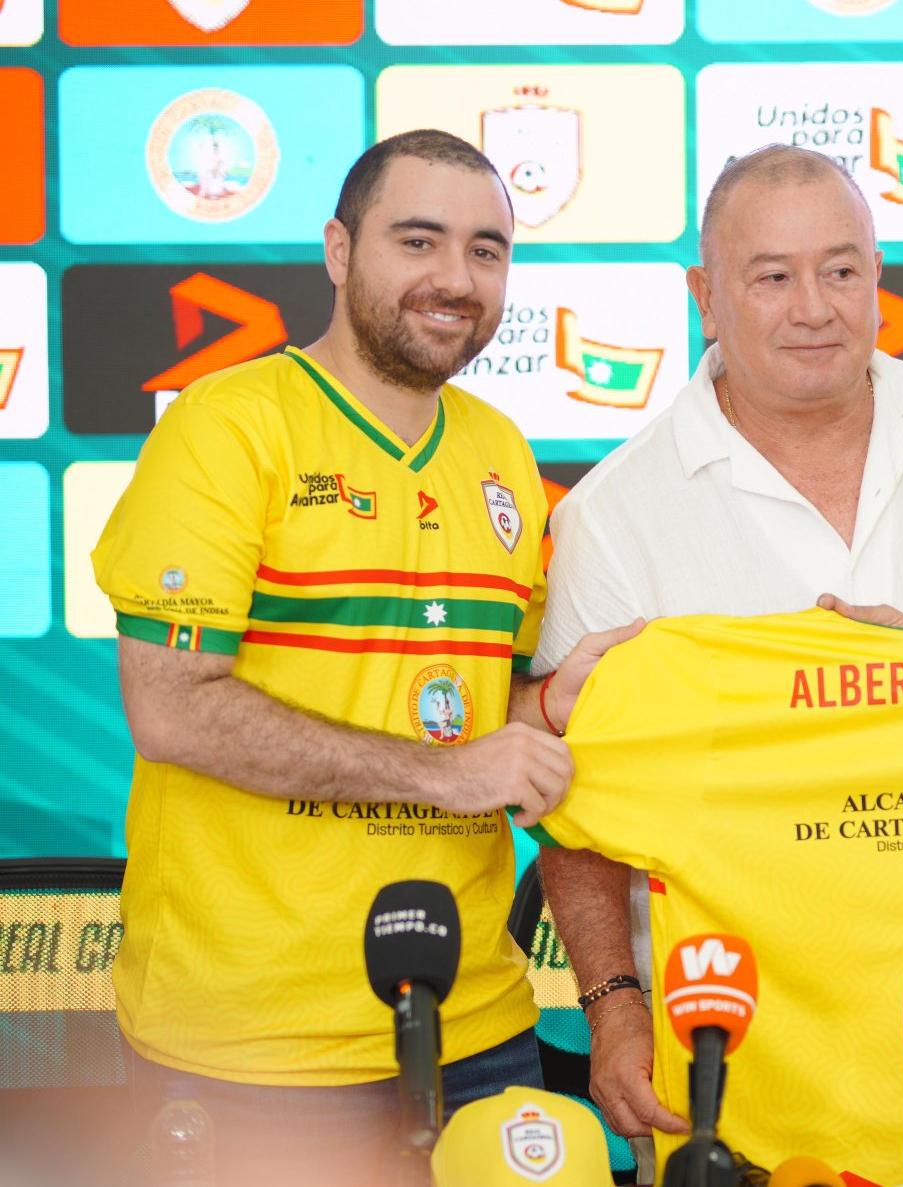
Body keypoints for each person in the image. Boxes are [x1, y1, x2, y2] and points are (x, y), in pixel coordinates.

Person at [93, 129, 636, 1187]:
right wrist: (448, 772)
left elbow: (463, 707)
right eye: (418, 240)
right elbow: (172, 707)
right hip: (250, 1041)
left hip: (478, 1015)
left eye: (486, 250)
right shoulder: (226, 429)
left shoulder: (501, 454)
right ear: (339, 250)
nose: (454, 278)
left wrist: (542, 703)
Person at [531, 144, 903, 1140]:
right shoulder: (613, 514)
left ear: (877, 279)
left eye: (841, 269)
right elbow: (575, 803)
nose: (814, 305)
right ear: (706, 296)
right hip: (732, 1035)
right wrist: (615, 1005)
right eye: (772, 276)